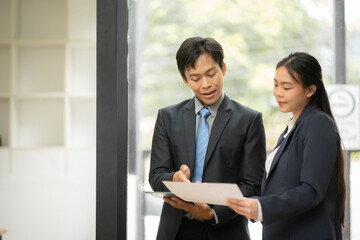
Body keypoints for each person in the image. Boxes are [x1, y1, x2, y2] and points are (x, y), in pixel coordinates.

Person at [149, 37, 266, 240]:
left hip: (226, 230)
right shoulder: (167, 117)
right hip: (176, 230)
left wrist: (213, 213)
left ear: (223, 68)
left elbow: (252, 185)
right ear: (185, 80)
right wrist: (174, 178)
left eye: (211, 74)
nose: (206, 84)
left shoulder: (249, 120)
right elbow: (156, 175)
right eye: (195, 78)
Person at [227, 52, 346, 240]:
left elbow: (311, 191)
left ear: (310, 90)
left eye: (287, 87)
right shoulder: (293, 126)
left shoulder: (318, 124)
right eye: (275, 84)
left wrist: (261, 207)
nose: (278, 92)